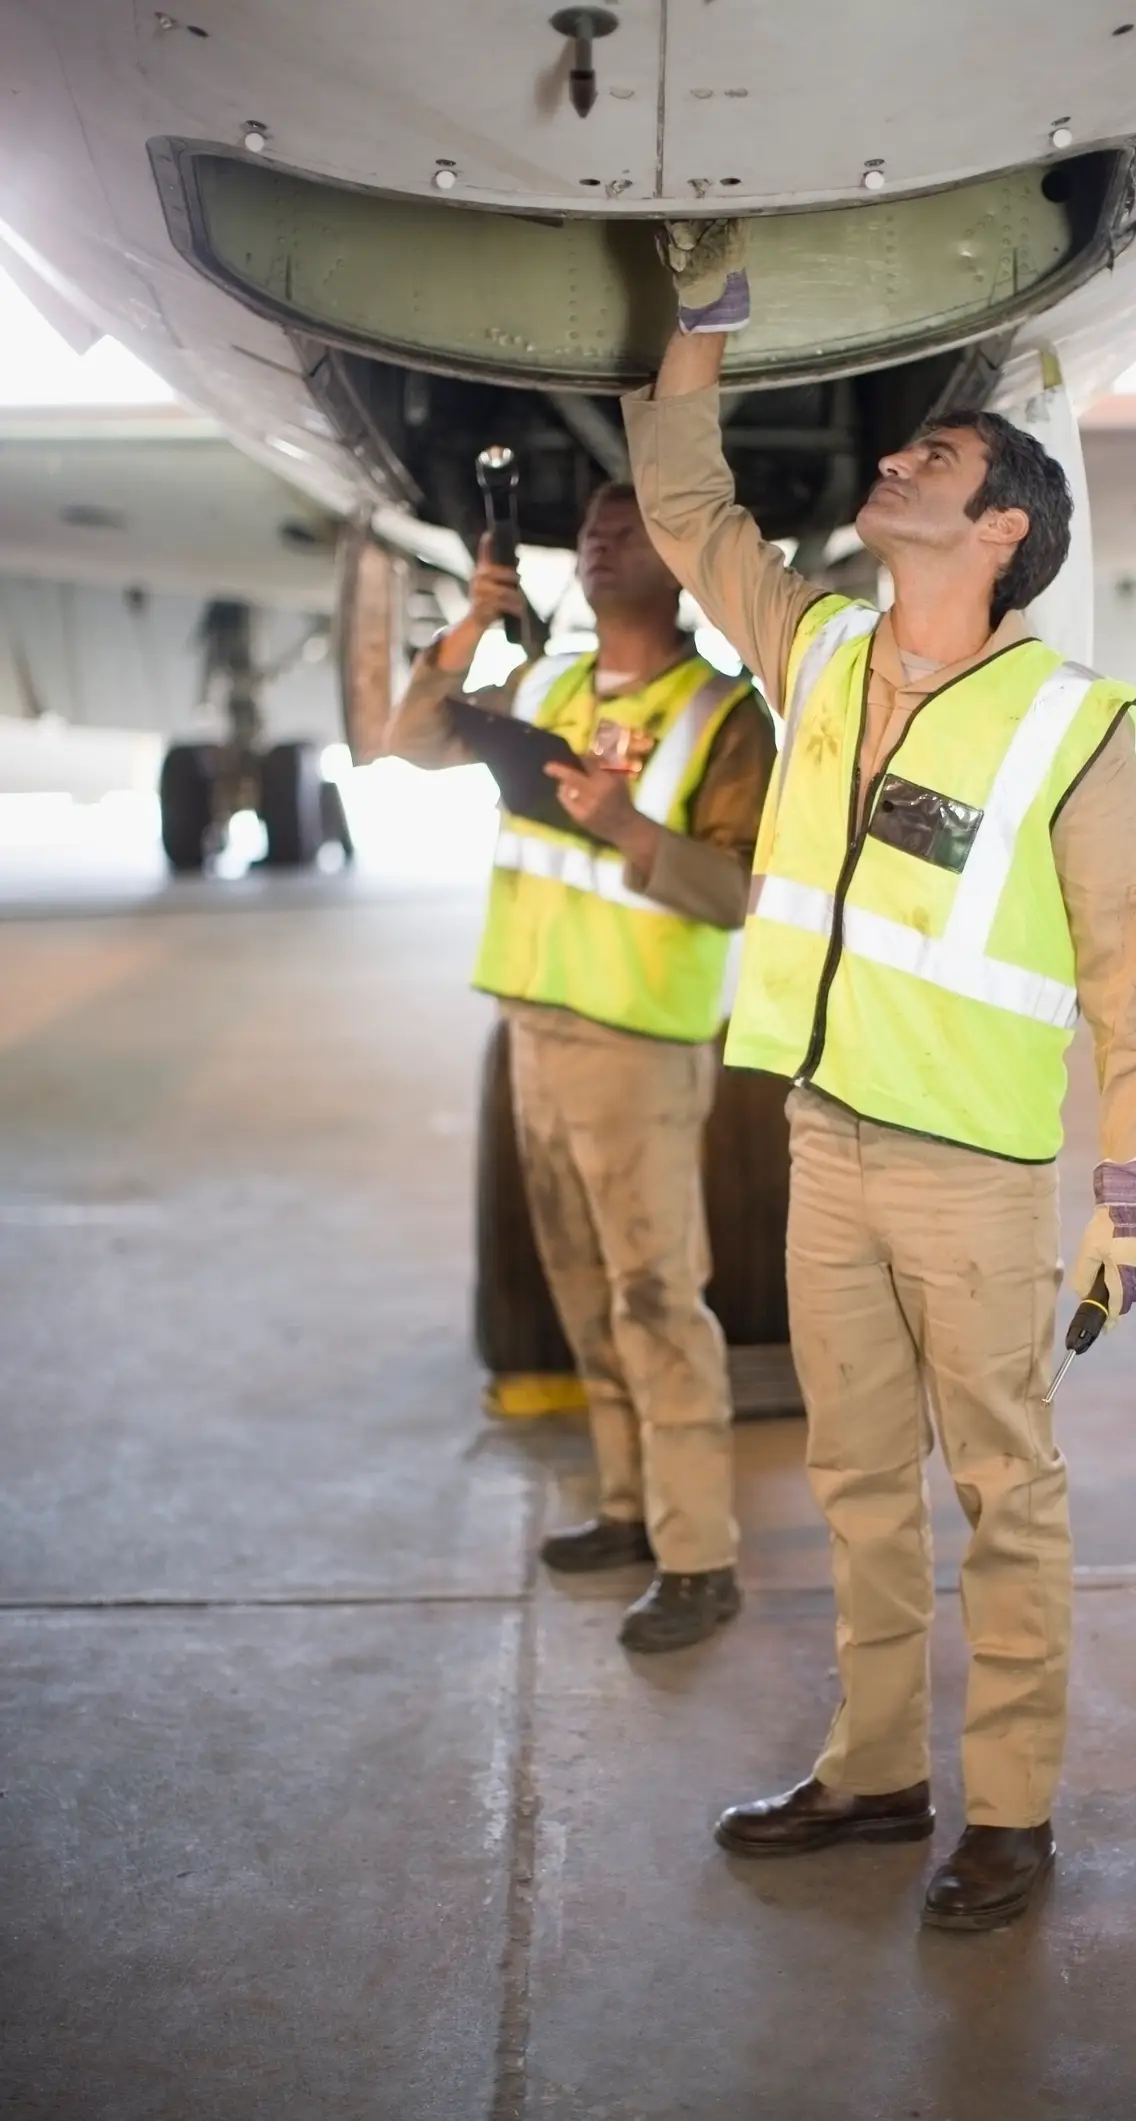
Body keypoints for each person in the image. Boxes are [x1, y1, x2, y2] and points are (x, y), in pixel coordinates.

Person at [622, 223, 1136, 1923]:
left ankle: (1006, 1809)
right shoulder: (823, 655)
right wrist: (700, 327)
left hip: (974, 1177)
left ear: (1000, 524)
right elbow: (682, 512)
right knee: (857, 1482)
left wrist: (1133, 1207)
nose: (891, 460)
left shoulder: (1066, 726)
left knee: (1001, 1495)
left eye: (930, 456)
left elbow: (1133, 990)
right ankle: (875, 1772)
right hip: (825, 1143)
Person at [384, 480, 776, 1652]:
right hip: (535, 1026)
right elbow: (410, 741)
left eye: (632, 526)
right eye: (595, 528)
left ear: (686, 561)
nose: (602, 539)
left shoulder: (722, 715)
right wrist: (467, 627)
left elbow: (746, 893)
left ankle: (700, 1554)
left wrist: (627, 832)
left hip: (636, 1046)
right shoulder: (546, 683)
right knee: (578, 1285)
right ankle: (624, 1506)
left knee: (658, 1297)